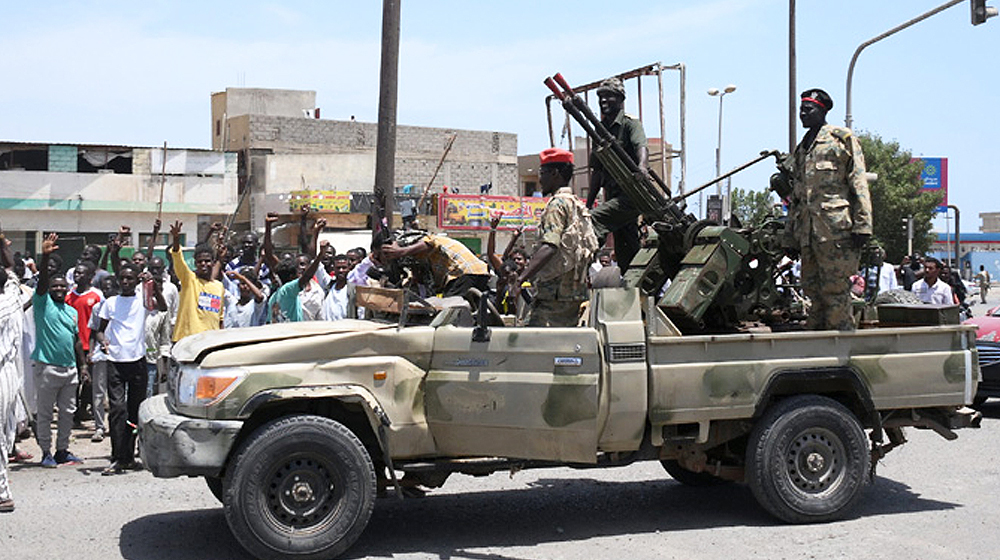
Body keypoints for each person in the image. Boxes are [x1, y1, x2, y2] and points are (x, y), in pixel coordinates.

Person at [784, 88, 872, 331]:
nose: (802, 114)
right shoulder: (802, 148)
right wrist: (790, 236)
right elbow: (798, 197)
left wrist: (863, 224)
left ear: (821, 111)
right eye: (801, 110)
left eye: (808, 110)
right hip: (809, 234)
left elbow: (858, 181)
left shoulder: (840, 139)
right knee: (812, 292)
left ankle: (841, 349)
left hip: (836, 232)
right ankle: (818, 347)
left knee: (835, 293)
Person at [94, 264, 166, 474]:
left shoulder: (143, 300)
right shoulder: (110, 303)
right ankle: (117, 456)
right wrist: (103, 342)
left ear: (136, 281)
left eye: (130, 279)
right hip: (115, 361)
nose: (125, 282)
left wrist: (152, 286)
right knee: (117, 409)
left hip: (137, 361)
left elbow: (162, 307)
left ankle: (129, 456)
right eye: (122, 278)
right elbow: (99, 330)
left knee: (135, 411)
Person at [517, 148, 598, 327]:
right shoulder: (576, 204)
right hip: (573, 293)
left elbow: (550, 246)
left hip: (552, 296)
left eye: (542, 173)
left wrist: (521, 278)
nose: (540, 179)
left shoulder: (557, 205)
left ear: (554, 174)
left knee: (531, 344)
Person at [32, 233, 87, 468]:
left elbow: (76, 340)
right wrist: (45, 258)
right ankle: (46, 452)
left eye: (61, 286)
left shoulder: (71, 311)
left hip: (70, 369)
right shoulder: (42, 303)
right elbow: (43, 282)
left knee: (68, 413)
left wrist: (83, 364)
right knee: (45, 414)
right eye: (54, 286)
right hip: (47, 368)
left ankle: (62, 450)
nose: (57, 289)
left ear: (67, 288)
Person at [587, 77, 650, 273]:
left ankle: (583, 261)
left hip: (632, 195)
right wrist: (587, 204)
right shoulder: (600, 130)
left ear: (621, 99)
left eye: (609, 97)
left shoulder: (630, 124)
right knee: (626, 251)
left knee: (593, 221)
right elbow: (597, 171)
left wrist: (642, 166)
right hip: (615, 197)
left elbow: (641, 146)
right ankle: (633, 287)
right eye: (601, 97)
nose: (603, 101)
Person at [376, 232, 490, 298]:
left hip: (463, 271)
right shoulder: (412, 259)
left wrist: (401, 251)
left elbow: (431, 242)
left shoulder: (404, 241)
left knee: (448, 313)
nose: (381, 261)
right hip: (478, 272)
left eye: (378, 256)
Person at [65, 260, 104, 437]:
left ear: (90, 276)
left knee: (89, 381)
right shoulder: (68, 296)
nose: (77, 276)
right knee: (73, 381)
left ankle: (83, 407)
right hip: (72, 344)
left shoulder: (96, 295)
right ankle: (74, 414)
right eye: (76, 273)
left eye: (81, 273)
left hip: (90, 345)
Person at [169, 221, 225, 341]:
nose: (203, 264)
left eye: (207, 261)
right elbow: (178, 258)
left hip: (210, 342)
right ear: (195, 264)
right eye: (200, 262)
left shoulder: (219, 287)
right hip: (186, 341)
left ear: (213, 262)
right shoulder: (189, 280)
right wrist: (176, 238)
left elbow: (219, 319)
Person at [0, 266, 24, 512]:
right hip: (9, 372)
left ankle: (3, 493)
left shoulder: (3, 306)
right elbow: (12, 276)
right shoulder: (12, 297)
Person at [320, 255, 357, 321]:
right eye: (338, 268)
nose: (341, 270)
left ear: (349, 268)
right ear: (333, 268)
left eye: (344, 267)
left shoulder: (353, 290)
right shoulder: (328, 287)